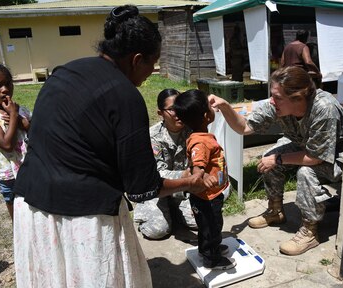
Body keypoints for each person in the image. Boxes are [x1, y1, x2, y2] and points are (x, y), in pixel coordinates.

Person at [12, 5, 207, 287]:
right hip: (82, 219)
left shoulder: (67, 71)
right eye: (152, 64)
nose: (151, 72)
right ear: (137, 59)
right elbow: (142, 188)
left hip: (32, 205)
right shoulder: (125, 97)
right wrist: (189, 182)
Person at [209, 66, 343, 256]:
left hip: (338, 158)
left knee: (305, 171)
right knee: (270, 158)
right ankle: (276, 211)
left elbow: (315, 157)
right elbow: (245, 127)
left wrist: (279, 159)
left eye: (278, 97)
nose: (272, 101)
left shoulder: (324, 108)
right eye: (272, 95)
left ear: (298, 98)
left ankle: (310, 230)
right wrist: (224, 106)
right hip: (307, 148)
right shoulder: (278, 104)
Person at [174, 89, 236, 270]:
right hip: (206, 197)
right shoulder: (200, 142)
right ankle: (212, 258)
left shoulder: (200, 135)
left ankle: (207, 249)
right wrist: (204, 176)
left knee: (207, 226)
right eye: (209, 106)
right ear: (206, 116)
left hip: (210, 194)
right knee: (212, 227)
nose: (212, 106)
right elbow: (197, 167)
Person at [134, 88, 197, 239]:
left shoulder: (192, 131)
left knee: (199, 221)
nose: (179, 113)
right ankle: (147, 209)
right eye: (172, 109)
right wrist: (185, 174)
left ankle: (173, 210)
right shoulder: (151, 137)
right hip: (157, 191)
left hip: (182, 189)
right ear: (160, 113)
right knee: (158, 231)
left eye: (181, 107)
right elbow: (157, 174)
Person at [0, 64, 31, 220]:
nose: (5, 89)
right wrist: (14, 117)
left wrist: (26, 124)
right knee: (17, 212)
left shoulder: (22, 111)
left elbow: (38, 133)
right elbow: (7, 145)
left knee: (33, 209)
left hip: (30, 168)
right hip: (10, 176)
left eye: (8, 83)